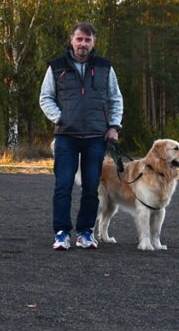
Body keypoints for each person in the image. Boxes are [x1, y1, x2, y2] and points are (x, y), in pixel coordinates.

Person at [39, 22, 123, 250]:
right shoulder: (57, 67)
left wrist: (114, 126)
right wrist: (60, 118)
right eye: (79, 39)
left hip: (96, 137)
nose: (83, 44)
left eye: (87, 40)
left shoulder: (105, 68)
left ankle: (86, 232)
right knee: (63, 184)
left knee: (91, 187)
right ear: (71, 40)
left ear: (93, 42)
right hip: (66, 136)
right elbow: (45, 97)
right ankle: (62, 233)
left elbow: (116, 98)